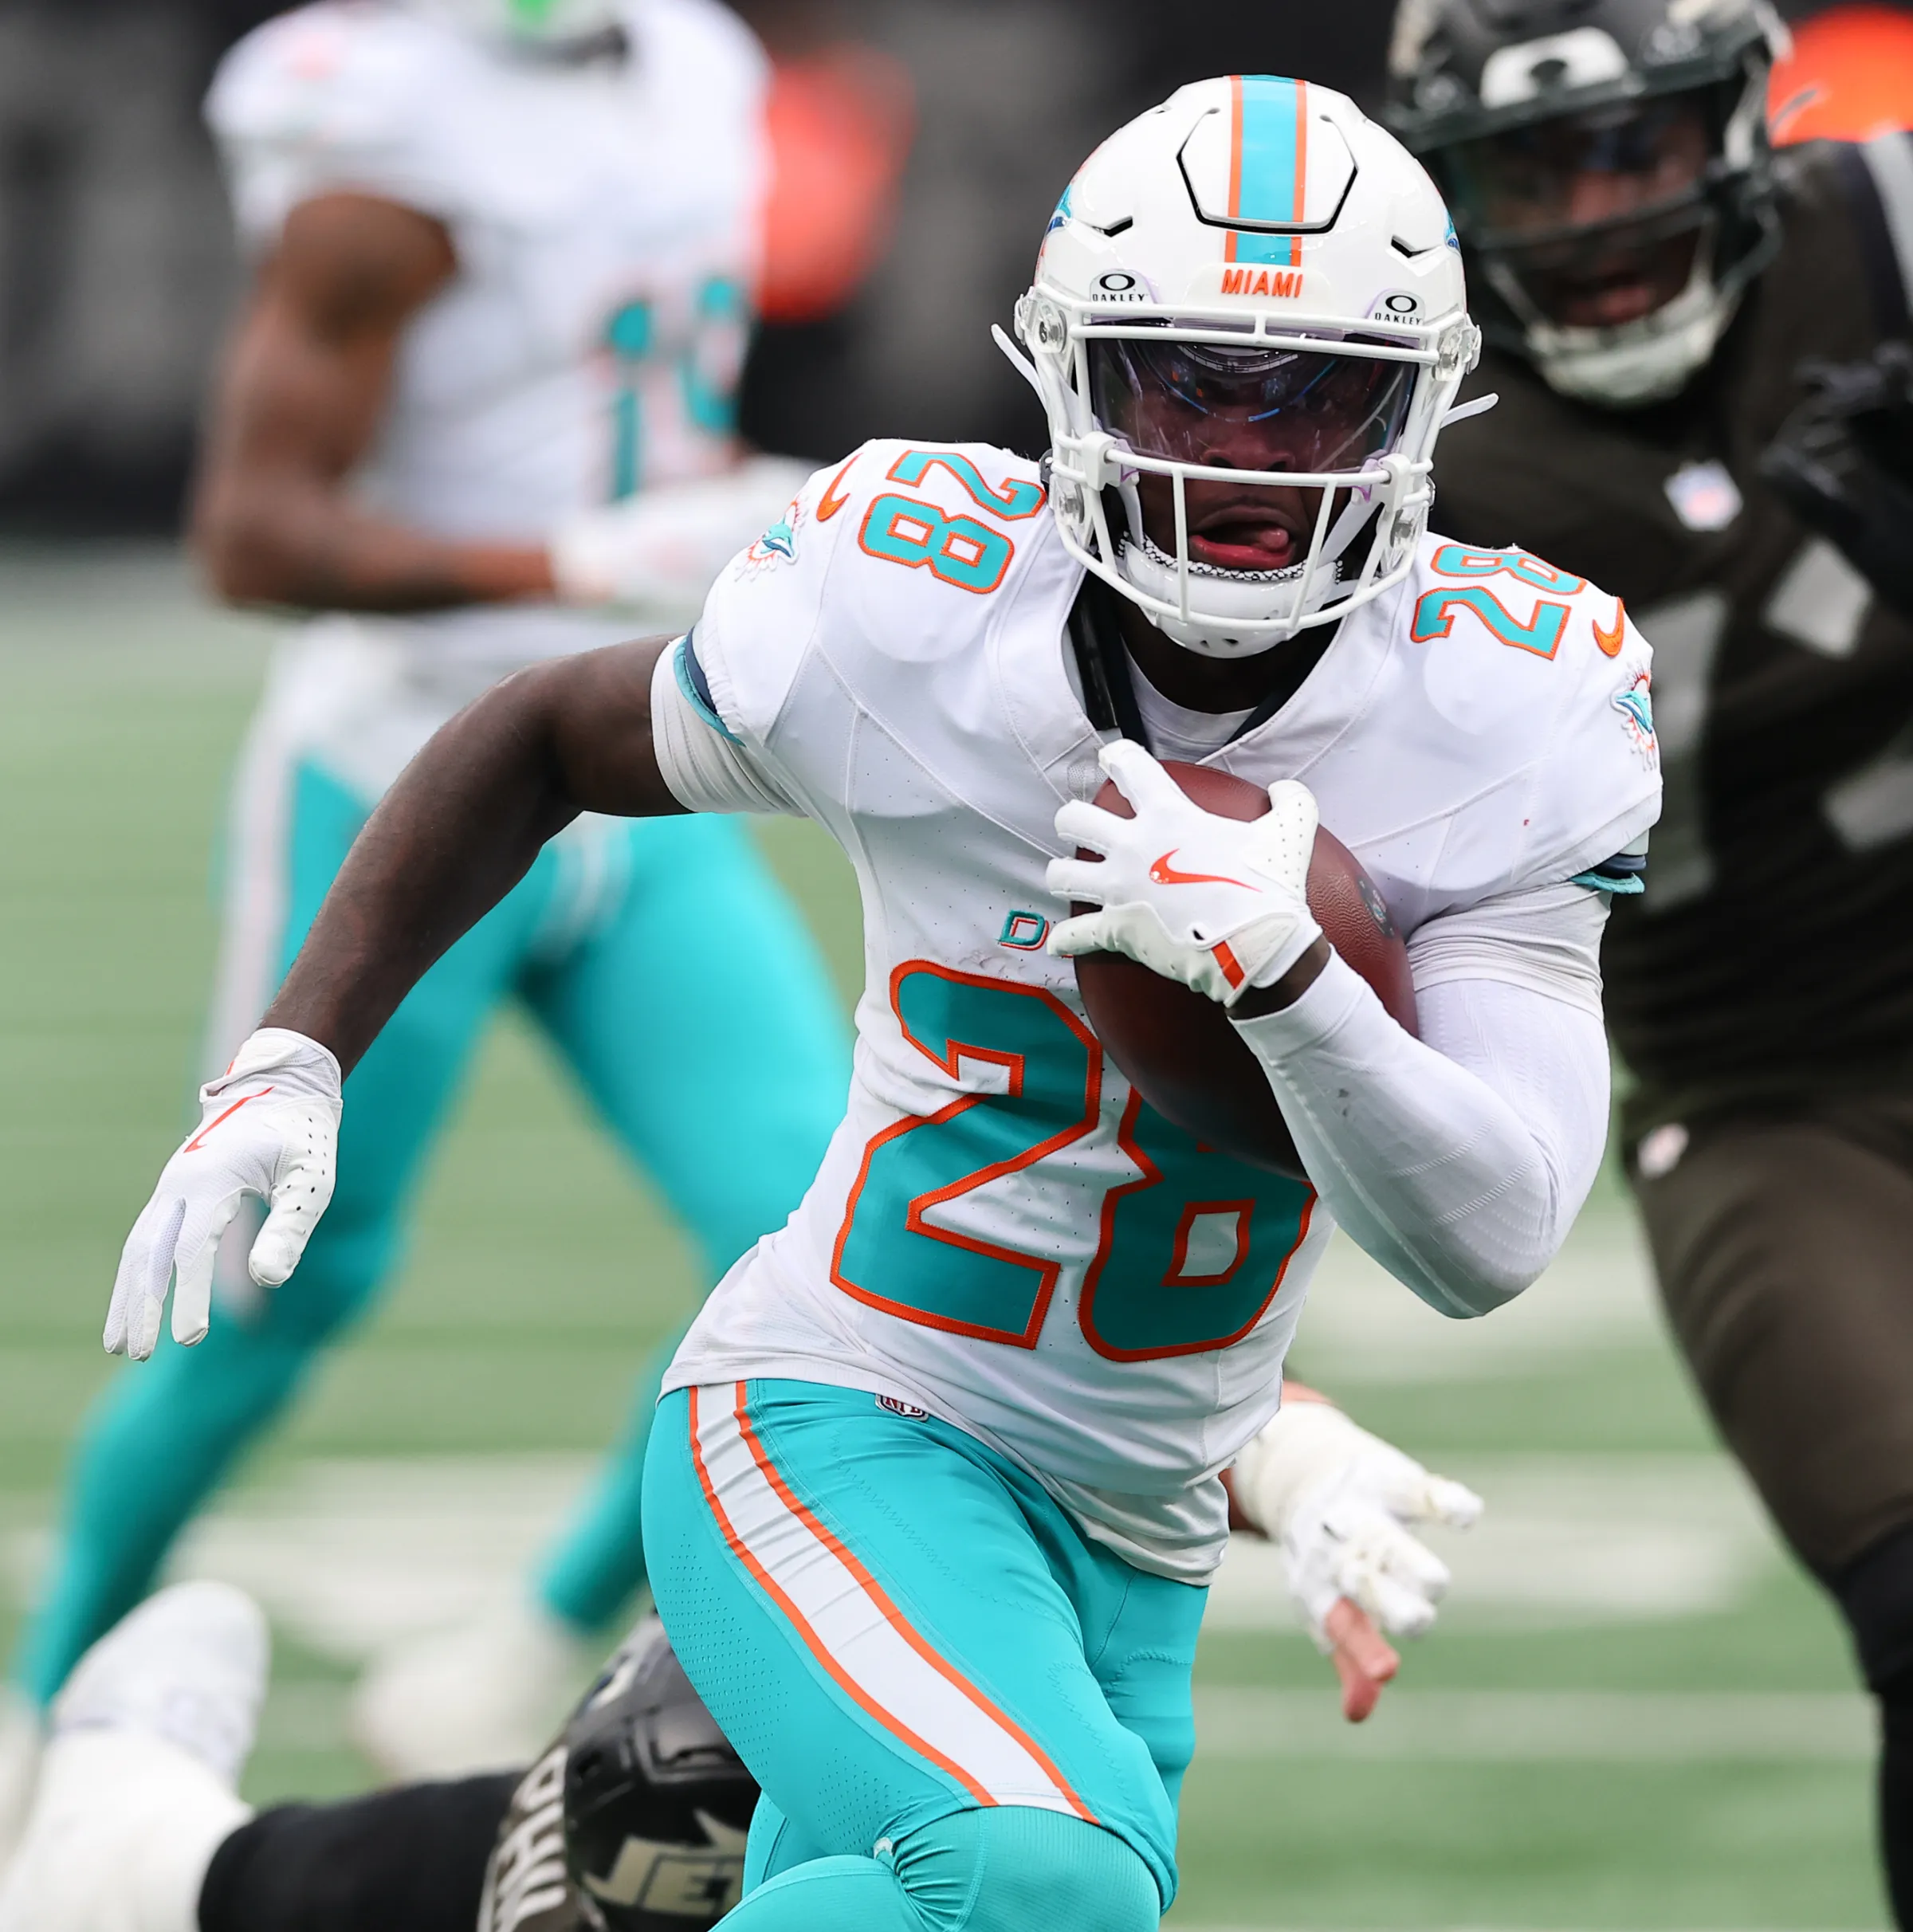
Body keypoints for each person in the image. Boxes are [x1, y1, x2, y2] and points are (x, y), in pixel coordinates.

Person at [81, 74, 1660, 1930]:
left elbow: (1494, 1229)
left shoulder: (1511, 704)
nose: (1243, 457)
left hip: (1135, 1522)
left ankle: (156, 1867)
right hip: (838, 1416)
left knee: (885, 1897)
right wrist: (295, 1056)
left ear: (1422, 407)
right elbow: (543, 733)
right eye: (1181, 385)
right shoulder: (921, 605)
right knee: (1040, 1883)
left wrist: (1294, 984)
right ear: (1069, 375)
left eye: (1316, 393)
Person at [0, 0, 854, 1817]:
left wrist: (673, 537)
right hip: (405, 771)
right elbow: (252, 532)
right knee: (279, 1277)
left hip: (644, 755)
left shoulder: (700, 61)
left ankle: (517, 1652)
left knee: (821, 1241)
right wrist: (574, 556)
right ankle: (38, 1696)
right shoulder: (385, 132)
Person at [1384, 0, 1913, 1917]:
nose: (1597, 216)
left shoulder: (1890, 235)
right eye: (1533, 172)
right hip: (1769, 1095)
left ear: (1744, 126)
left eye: (1637, 149)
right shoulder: (1402, 428)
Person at [0, 1391, 1482, 1932]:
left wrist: (1293, 1454)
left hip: (1019, 1528)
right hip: (843, 1449)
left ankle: (160, 1863)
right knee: (679, 1781)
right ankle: (161, 1862)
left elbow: (1149, 1321)